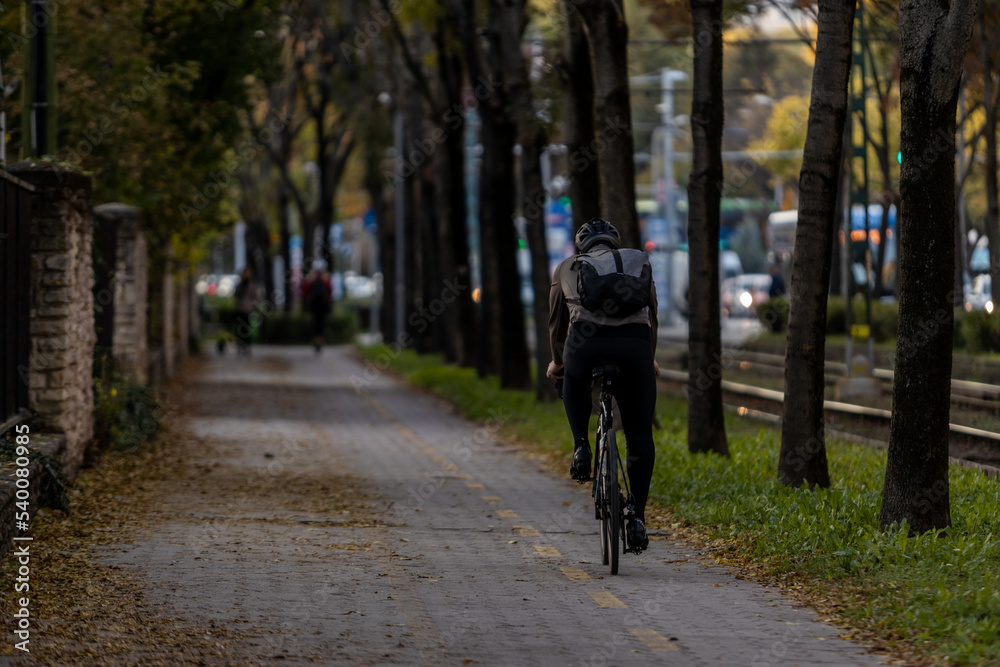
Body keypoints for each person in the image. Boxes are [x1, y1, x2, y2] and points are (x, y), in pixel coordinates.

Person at [545, 218, 660, 551]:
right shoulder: (636, 261)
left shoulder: (568, 267)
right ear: (614, 242)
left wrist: (558, 361)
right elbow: (651, 312)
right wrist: (648, 356)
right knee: (640, 433)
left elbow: (556, 322)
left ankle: (582, 446)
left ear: (582, 247)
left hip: (585, 344)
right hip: (635, 347)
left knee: (574, 380)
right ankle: (637, 517)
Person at [301, 260, 332, 354]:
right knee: (320, 323)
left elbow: (304, 289)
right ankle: (319, 340)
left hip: (314, 304)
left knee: (315, 323)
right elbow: (330, 290)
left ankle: (317, 341)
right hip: (322, 304)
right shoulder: (325, 277)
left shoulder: (311, 277)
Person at [233, 267, 258, 356]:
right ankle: (240, 346)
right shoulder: (240, 284)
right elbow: (235, 294)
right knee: (239, 328)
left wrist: (253, 306)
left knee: (246, 328)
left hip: (247, 309)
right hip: (239, 308)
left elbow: (254, 296)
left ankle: (246, 347)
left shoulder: (251, 284)